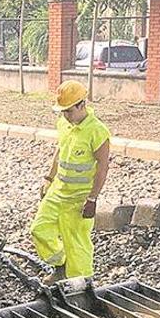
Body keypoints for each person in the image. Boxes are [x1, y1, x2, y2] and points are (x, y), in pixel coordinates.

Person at [31, 80, 111, 285]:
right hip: (58, 191)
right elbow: (60, 151)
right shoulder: (65, 124)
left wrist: (92, 199)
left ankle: (81, 284)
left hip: (80, 197)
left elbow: (102, 168)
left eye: (68, 111)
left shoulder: (97, 131)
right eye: (62, 111)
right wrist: (48, 178)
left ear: (81, 105)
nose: (65, 115)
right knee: (39, 229)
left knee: (77, 242)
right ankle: (61, 266)